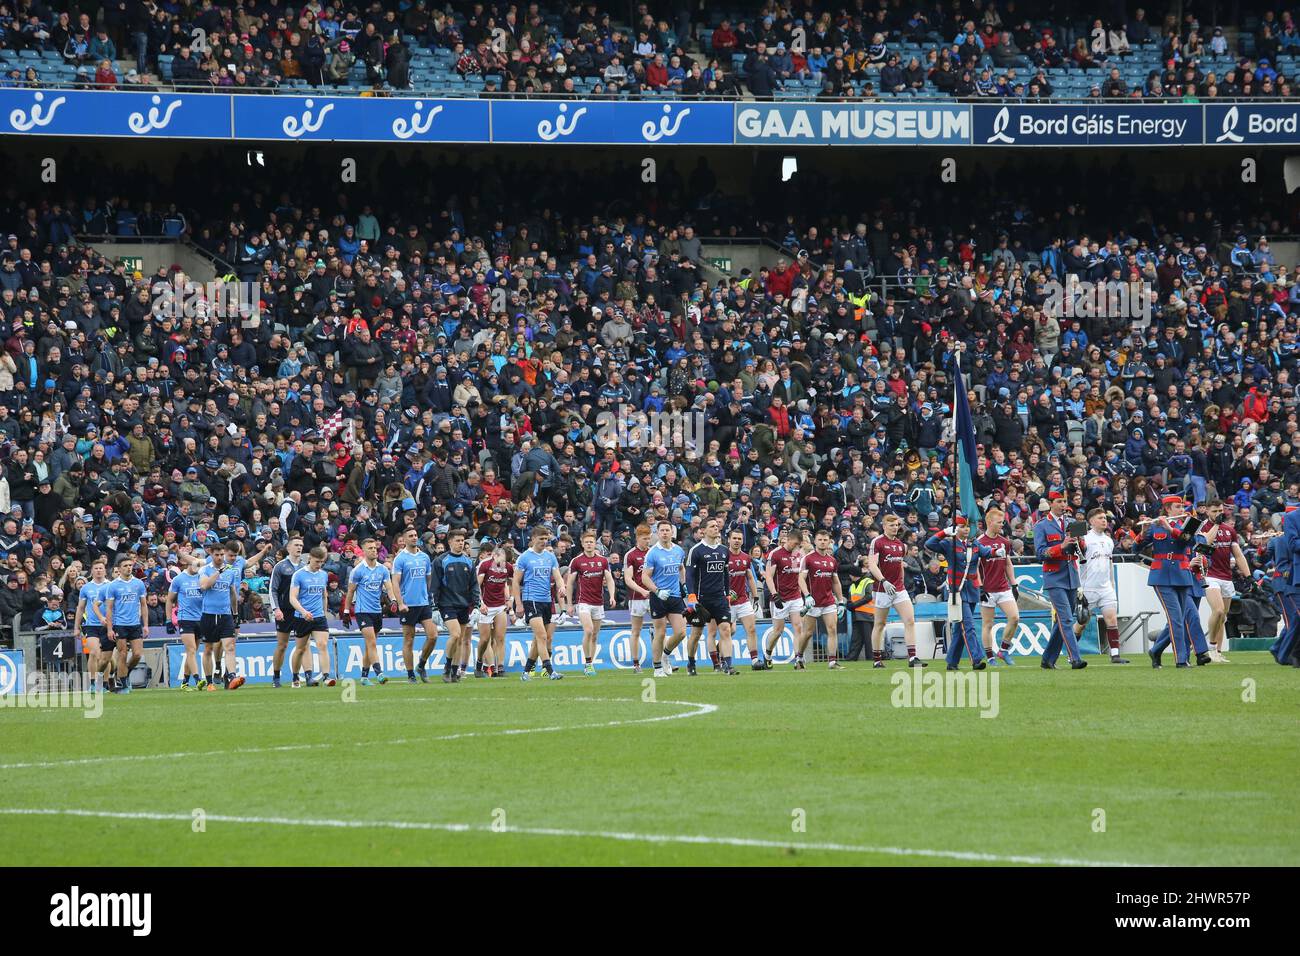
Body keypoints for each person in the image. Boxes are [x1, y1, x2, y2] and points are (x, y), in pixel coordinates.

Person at [1141, 495, 1211, 668]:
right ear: (1168, 509)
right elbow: (1136, 548)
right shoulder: (1156, 526)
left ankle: (1157, 651)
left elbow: (1190, 541)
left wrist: (1170, 528)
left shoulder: (1189, 525)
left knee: (1180, 617)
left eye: (1182, 507)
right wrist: (1143, 532)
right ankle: (1181, 660)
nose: (1182, 510)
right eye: (1178, 507)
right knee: (1176, 618)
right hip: (1161, 576)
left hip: (1182, 575)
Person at [925, 515, 993, 670]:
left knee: (959, 629)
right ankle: (976, 659)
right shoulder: (949, 544)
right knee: (968, 625)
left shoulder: (974, 543)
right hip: (957, 591)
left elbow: (986, 553)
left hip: (972, 590)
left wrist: (998, 551)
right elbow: (930, 544)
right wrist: (945, 532)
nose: (966, 529)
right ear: (956, 528)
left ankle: (952, 661)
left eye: (968, 527)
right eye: (962, 527)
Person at [1032, 491, 1087, 670]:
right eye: (1059, 501)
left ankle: (1047, 659)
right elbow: (1040, 553)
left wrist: (1080, 542)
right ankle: (1075, 658)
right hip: (1054, 576)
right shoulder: (1041, 525)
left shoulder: (1073, 523)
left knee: (1063, 620)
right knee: (1066, 619)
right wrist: (1061, 546)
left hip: (1071, 575)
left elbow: (1083, 550)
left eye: (1065, 501)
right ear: (1051, 503)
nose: (1063, 505)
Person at [866, 512, 923, 668]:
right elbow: (872, 565)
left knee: (910, 620)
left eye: (897, 525)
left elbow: (899, 565)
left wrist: (902, 582)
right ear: (884, 526)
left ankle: (912, 658)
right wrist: (883, 581)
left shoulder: (900, 545)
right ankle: (877, 659)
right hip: (882, 589)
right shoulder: (877, 542)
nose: (895, 527)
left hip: (898, 589)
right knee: (879, 623)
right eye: (891, 525)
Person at [684, 517, 738, 676]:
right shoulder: (697, 550)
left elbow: (726, 574)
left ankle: (728, 665)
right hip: (701, 599)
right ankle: (691, 663)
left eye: (717, 525)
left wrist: (727, 594)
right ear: (703, 530)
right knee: (696, 634)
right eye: (713, 526)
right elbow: (689, 576)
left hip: (719, 598)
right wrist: (692, 596)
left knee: (726, 630)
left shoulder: (723, 550)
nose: (717, 528)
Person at [341, 537, 396, 685]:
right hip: (362, 611)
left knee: (369, 645)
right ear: (364, 551)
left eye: (375, 548)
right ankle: (379, 673)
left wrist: (393, 601)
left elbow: (389, 587)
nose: (373, 550)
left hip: (377, 611)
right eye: (370, 548)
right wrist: (346, 612)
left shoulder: (383, 569)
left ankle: (364, 677)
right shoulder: (357, 571)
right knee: (371, 642)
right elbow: (350, 592)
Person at [1200, 499, 1251, 662]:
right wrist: (1216, 525)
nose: (1217, 514)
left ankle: (1218, 652)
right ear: (1207, 511)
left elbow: (1238, 555)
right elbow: (1205, 543)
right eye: (1214, 511)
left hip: (1226, 576)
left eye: (1220, 511)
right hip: (1209, 574)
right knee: (1219, 610)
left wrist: (1248, 576)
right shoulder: (1202, 527)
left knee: (1223, 617)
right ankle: (1211, 646)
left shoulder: (1229, 530)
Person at [513, 526, 566, 681]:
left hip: (546, 601)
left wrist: (562, 586)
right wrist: (519, 603)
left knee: (542, 638)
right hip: (531, 600)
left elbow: (557, 576)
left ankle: (525, 672)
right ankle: (550, 671)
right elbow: (516, 582)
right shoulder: (524, 557)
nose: (544, 541)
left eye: (546, 539)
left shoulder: (550, 557)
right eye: (541, 538)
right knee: (542, 636)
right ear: (533, 538)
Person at [1078, 507, 1130, 663]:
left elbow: (1109, 563)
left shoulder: (1108, 541)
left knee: (1111, 620)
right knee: (1082, 623)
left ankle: (1115, 655)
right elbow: (1076, 563)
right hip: (1088, 588)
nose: (1104, 520)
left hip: (1105, 587)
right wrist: (1078, 588)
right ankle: (1071, 652)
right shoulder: (1084, 539)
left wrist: (1112, 584)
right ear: (1091, 521)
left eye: (1105, 518)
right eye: (1100, 518)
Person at [431, 528, 480, 683]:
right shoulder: (440, 561)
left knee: (459, 640)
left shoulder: (468, 562)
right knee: (456, 634)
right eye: (457, 540)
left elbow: (474, 585)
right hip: (447, 604)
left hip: (463, 605)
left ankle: (454, 671)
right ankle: (446, 667)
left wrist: (477, 605)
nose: (460, 543)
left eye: (462, 541)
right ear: (450, 542)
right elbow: (434, 586)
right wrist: (434, 608)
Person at [392, 528, 439, 682]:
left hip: (423, 603)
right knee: (409, 639)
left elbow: (428, 579)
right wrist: (400, 603)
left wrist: (427, 596)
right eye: (410, 536)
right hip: (408, 605)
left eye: (415, 535)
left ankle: (421, 664)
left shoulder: (424, 557)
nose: (413, 538)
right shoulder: (400, 559)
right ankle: (411, 674)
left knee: (433, 636)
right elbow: (395, 583)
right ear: (404, 539)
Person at [568, 529, 616, 676]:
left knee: (594, 635)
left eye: (591, 542)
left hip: (598, 602)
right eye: (586, 542)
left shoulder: (602, 560)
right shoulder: (577, 561)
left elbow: (609, 579)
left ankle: (591, 664)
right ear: (582, 544)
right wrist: (569, 604)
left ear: (595, 544)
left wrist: (612, 596)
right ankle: (588, 663)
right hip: (583, 601)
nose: (589, 544)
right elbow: (570, 583)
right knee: (588, 630)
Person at [643, 519, 687, 678]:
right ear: (657, 533)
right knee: (660, 633)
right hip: (659, 597)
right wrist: (657, 590)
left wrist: (683, 584)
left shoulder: (679, 551)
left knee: (681, 632)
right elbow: (644, 577)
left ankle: (665, 655)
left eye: (667, 530)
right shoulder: (653, 553)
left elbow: (681, 568)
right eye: (661, 530)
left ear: (672, 532)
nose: (665, 533)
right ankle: (657, 669)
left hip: (675, 596)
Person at [199, 541, 245, 690]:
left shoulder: (230, 571)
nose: (219, 557)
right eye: (216, 555)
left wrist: (235, 613)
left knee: (230, 646)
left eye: (221, 554)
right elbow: (204, 585)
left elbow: (232, 593)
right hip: (209, 615)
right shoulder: (205, 570)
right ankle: (209, 682)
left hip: (225, 615)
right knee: (208, 649)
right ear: (211, 555)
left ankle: (232, 676)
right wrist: (219, 572)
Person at [799, 527, 846, 669]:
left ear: (829, 542)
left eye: (825, 540)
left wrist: (841, 601)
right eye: (820, 540)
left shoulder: (832, 561)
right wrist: (807, 596)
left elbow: (836, 582)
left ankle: (832, 661)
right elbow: (801, 579)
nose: (823, 542)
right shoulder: (808, 559)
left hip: (829, 602)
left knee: (832, 629)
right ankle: (799, 657)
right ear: (815, 541)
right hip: (812, 603)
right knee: (807, 633)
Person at [976, 505, 1018, 665]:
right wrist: (980, 587)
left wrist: (1014, 584)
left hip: (1003, 587)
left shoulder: (1005, 542)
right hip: (987, 590)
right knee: (988, 624)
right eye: (999, 522)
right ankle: (990, 657)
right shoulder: (979, 542)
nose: (1002, 525)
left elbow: (1007, 563)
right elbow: (975, 567)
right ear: (989, 522)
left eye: (1003, 522)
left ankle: (1003, 650)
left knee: (1014, 618)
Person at [290, 545, 335, 686]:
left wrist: (324, 611)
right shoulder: (299, 575)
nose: (319, 565)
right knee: (301, 648)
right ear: (310, 558)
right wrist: (303, 612)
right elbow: (292, 598)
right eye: (317, 562)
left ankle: (326, 677)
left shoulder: (323, 575)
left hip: (318, 617)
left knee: (322, 644)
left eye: (322, 562)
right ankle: (297, 676)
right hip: (302, 617)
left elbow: (323, 595)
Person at [762, 524, 806, 668]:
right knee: (778, 631)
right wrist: (774, 595)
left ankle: (798, 659)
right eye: (795, 544)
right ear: (788, 539)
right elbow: (769, 576)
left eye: (799, 545)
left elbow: (800, 576)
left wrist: (805, 594)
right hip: (779, 598)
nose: (797, 547)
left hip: (795, 597)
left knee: (798, 627)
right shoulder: (776, 554)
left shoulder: (799, 555)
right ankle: (768, 654)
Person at [105, 556, 149, 694]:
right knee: (122, 654)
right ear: (119, 568)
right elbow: (109, 608)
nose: (129, 568)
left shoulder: (138, 584)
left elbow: (143, 604)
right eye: (125, 565)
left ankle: (123, 672)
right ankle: (123, 684)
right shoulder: (113, 585)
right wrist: (110, 628)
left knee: (137, 654)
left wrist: (146, 625)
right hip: (120, 624)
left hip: (135, 624)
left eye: (130, 565)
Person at [268, 535, 307, 688]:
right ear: (289, 547)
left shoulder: (305, 567)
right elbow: (273, 589)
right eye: (296, 545)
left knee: (303, 645)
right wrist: (276, 609)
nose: (299, 548)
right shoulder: (280, 566)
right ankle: (276, 676)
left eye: (301, 545)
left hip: (300, 611)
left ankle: (299, 677)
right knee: (282, 645)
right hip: (284, 610)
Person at [165, 555, 205, 690]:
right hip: (185, 619)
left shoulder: (203, 577)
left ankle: (184, 682)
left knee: (192, 652)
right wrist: (169, 620)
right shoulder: (179, 579)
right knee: (191, 650)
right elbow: (170, 600)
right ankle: (198, 678)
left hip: (201, 619)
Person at [726, 527, 762, 670]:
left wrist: (756, 596)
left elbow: (750, 578)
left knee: (751, 629)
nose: (736, 541)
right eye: (734, 538)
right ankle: (723, 654)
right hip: (726, 601)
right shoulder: (723, 555)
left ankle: (754, 660)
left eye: (739, 539)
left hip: (743, 599)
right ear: (729, 539)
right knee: (729, 631)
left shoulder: (746, 557)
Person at [475, 543, 513, 677]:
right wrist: (481, 603)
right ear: (494, 556)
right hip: (486, 606)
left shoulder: (507, 567)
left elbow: (510, 583)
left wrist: (510, 599)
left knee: (500, 638)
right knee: (485, 639)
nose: (502, 564)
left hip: (499, 606)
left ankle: (500, 667)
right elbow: (476, 586)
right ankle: (479, 662)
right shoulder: (484, 565)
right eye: (500, 560)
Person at [73, 558, 110, 694]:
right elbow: (80, 608)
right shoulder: (86, 588)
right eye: (96, 568)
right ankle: (93, 683)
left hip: (108, 625)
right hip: (91, 625)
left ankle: (105, 684)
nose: (99, 570)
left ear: (105, 570)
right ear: (92, 571)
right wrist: (76, 627)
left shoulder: (111, 586)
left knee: (105, 657)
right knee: (94, 653)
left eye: (101, 568)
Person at [622, 523, 653, 672]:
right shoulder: (631, 555)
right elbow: (628, 579)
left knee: (659, 629)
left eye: (649, 538)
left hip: (654, 596)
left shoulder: (653, 552)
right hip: (636, 598)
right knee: (636, 630)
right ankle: (636, 664)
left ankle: (662, 661)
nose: (647, 541)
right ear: (638, 538)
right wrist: (642, 590)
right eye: (645, 538)